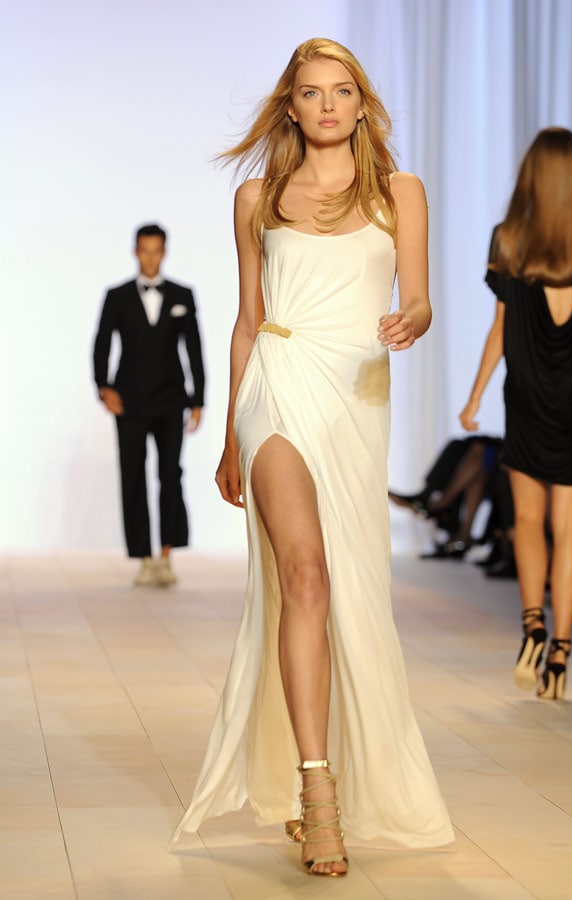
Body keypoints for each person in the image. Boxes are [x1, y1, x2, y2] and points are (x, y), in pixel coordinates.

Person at [168, 38, 453, 875]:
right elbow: (250, 317)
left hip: (356, 400)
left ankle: (327, 784)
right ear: (290, 107)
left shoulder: (401, 193)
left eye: (342, 92)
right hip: (279, 390)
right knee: (306, 578)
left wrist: (416, 319)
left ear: (362, 105)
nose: (327, 105)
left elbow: (420, 297)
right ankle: (316, 792)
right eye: (310, 93)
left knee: (352, 591)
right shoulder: (256, 195)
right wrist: (230, 432)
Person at [460, 127, 572, 699]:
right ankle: (559, 654)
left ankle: (531, 624)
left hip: (529, 394)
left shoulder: (509, 239)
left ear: (532, 174)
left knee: (528, 522)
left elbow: (501, 330)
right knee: (568, 525)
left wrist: (476, 395)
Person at [93, 224, 205, 586]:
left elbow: (194, 348)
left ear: (165, 251)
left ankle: (167, 554)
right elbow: (102, 343)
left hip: (171, 399)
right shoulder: (118, 296)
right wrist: (103, 386)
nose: (151, 257)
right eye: (145, 250)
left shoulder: (182, 295)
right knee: (133, 475)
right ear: (135, 251)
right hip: (129, 401)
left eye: (157, 250)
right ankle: (143, 556)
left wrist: (198, 398)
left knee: (170, 475)